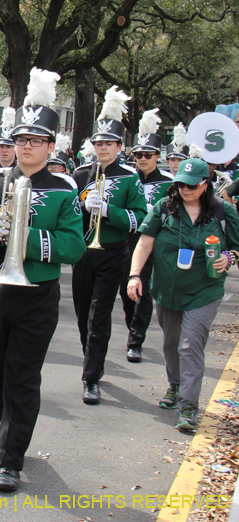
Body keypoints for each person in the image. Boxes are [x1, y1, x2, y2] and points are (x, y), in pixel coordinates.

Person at [0, 68, 85, 492]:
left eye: (35, 141)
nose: (26, 147)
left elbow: (73, 247)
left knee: (21, 374)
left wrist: (23, 236)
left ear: (51, 146)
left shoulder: (64, 188)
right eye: (20, 140)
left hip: (37, 295)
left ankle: (9, 458)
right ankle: (11, 429)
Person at [127, 157, 239, 431]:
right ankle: (175, 386)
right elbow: (144, 243)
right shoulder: (164, 208)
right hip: (166, 289)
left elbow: (236, 248)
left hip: (204, 290)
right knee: (171, 342)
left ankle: (189, 405)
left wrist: (229, 257)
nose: (184, 190)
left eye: (191, 186)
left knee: (190, 344)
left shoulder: (224, 212)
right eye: (180, 185)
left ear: (205, 184)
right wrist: (134, 275)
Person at [71, 86, 147, 405]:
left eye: (108, 144)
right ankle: (93, 360)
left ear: (119, 146)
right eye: (98, 143)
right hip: (83, 251)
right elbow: (68, 211)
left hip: (113, 251)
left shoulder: (130, 178)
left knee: (99, 313)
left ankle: (91, 376)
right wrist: (83, 207)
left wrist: (109, 211)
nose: (102, 148)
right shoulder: (79, 173)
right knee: (80, 313)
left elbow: (139, 218)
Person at [117, 110, 172, 363]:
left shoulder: (170, 182)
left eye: (147, 155)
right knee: (125, 291)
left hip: (152, 241)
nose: (142, 159)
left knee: (144, 291)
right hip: (126, 239)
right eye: (138, 154)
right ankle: (132, 328)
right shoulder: (127, 178)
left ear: (158, 156)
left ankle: (136, 340)